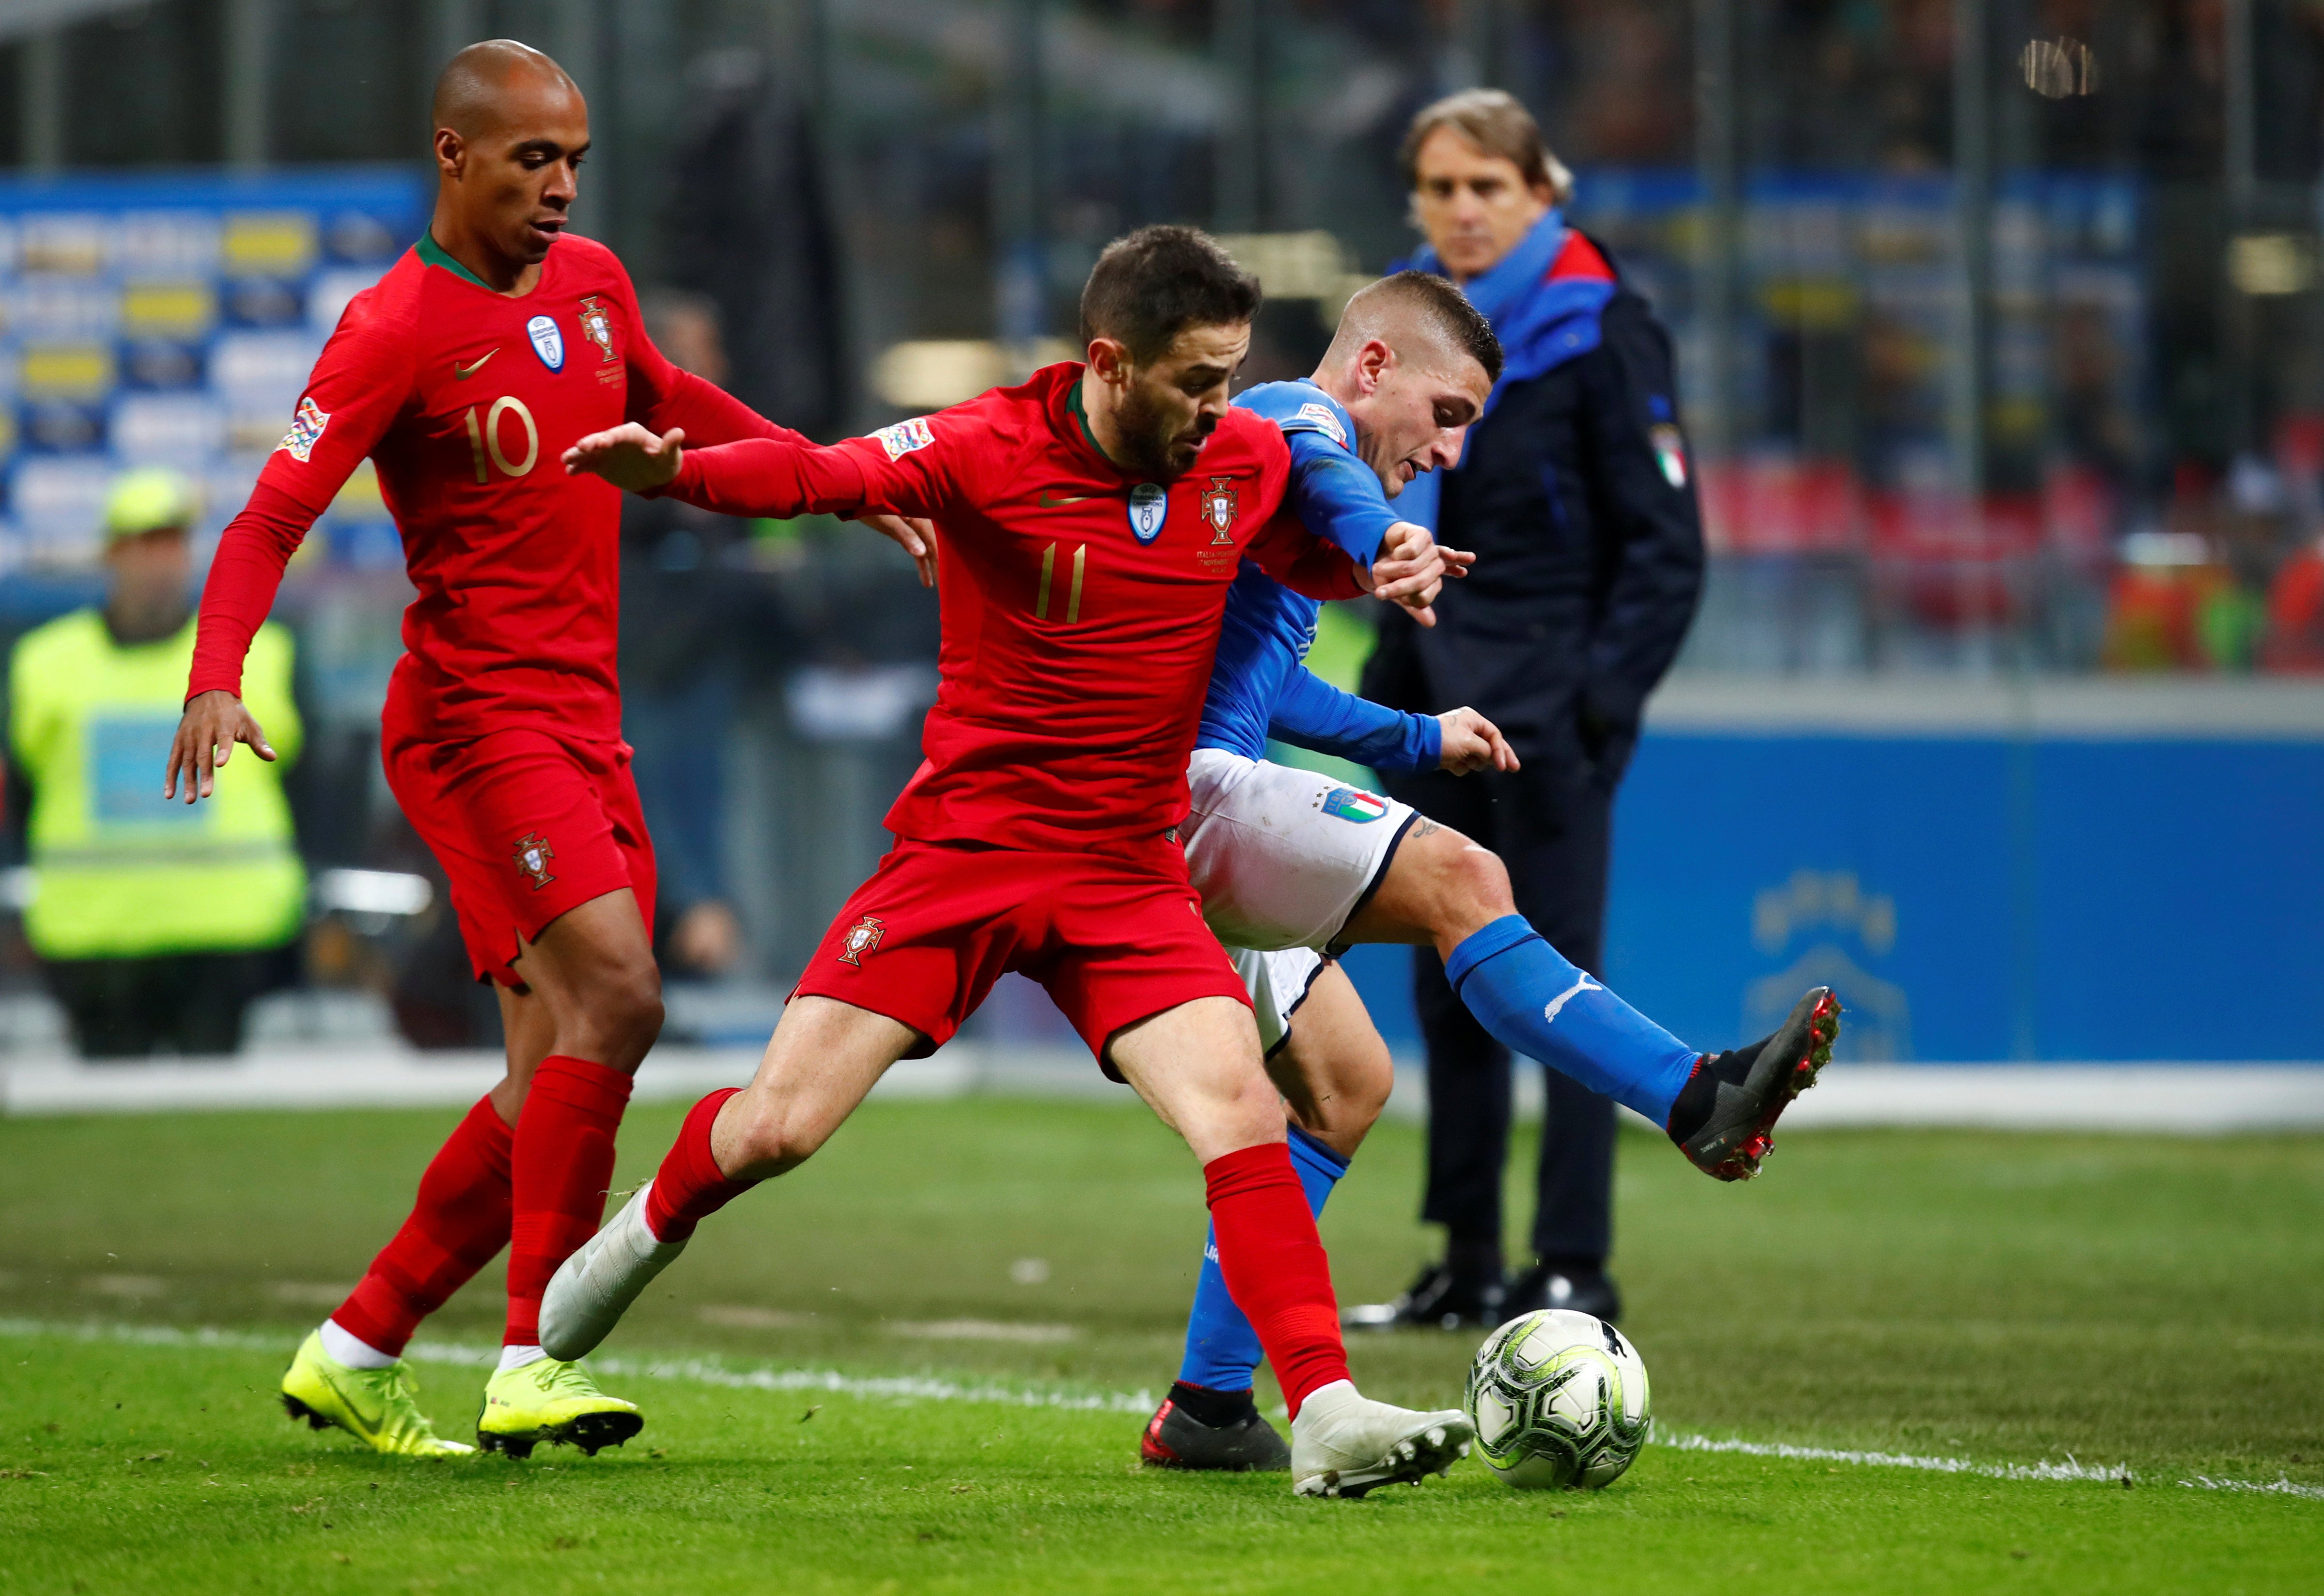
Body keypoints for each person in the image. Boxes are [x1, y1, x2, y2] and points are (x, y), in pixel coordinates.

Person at [542, 226, 1481, 1500]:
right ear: (1107, 363)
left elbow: (1316, 522)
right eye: (1196, 381)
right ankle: (647, 1224)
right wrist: (680, 474)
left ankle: (1320, 1409)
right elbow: (818, 474)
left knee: (1242, 1111)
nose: (1223, 408)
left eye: (1231, 373)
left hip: (1128, 872)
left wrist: (1385, 553)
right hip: (966, 855)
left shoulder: (1244, 455)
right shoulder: (984, 444)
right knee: (780, 1126)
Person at [164, 39, 932, 1461]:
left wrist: (837, 478)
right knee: (626, 999)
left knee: (547, 1083)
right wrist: (216, 675)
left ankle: (356, 1346)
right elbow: (269, 517)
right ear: (454, 157)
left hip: (585, 723)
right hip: (473, 726)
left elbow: (676, 410)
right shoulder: (395, 327)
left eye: (573, 157)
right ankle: (532, 1355)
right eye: (533, 159)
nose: (563, 186)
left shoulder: (594, 286)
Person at [1139, 273, 1839, 1471]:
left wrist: (1421, 733)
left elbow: (1263, 682)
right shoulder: (1297, 429)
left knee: (1345, 1085)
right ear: (1370, 370)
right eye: (1447, 412)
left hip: (1188, 779)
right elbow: (1335, 473)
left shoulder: (1259, 481)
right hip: (1180, 797)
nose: (1449, 447)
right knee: (1465, 878)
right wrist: (1387, 542)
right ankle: (1696, 1098)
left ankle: (1207, 1407)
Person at [1356, 90, 1711, 1330]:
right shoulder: (1401, 326)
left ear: (1539, 195)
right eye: (1441, 188)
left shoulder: (1598, 327)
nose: (1461, 210)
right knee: (1446, 979)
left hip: (1551, 706)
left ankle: (1572, 1262)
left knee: (1559, 988)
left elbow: (1667, 546)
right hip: (1423, 696)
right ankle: (1464, 1256)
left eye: (1486, 188)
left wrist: (1600, 703)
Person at [6, 468, 303, 1057]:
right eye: (145, 542)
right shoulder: (45, 664)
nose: (162, 560)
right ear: (111, 551)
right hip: (95, 940)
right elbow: (21, 790)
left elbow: (308, 784)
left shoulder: (263, 655)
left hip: (226, 934)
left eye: (173, 542)